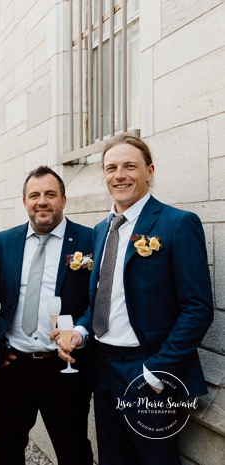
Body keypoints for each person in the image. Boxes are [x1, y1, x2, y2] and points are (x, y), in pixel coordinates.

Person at [55, 134, 214, 465]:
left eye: (130, 166)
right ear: (103, 175)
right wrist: (82, 332)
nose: (120, 175)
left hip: (148, 369)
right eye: (111, 167)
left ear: (149, 171)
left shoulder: (177, 224)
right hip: (103, 367)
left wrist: (157, 372)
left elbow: (198, 308)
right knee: (113, 459)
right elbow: (101, 299)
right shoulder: (101, 230)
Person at [0, 166, 94, 465]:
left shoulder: (89, 241)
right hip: (15, 365)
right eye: (35, 195)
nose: (42, 201)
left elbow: (98, 301)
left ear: (64, 200)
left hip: (65, 368)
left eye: (50, 194)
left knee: (74, 449)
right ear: (25, 201)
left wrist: (80, 331)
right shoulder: (5, 241)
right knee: (7, 446)